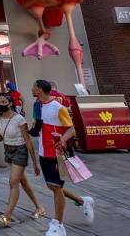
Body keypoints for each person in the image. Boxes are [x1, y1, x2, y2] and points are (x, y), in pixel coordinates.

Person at [33, 79, 94, 236]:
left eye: (34, 86)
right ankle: (82, 201)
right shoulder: (39, 106)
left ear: (39, 89)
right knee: (52, 186)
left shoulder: (58, 108)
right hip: (43, 151)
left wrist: (62, 139)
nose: (32, 89)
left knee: (56, 187)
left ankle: (58, 225)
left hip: (57, 153)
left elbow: (72, 130)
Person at [0, 93, 44, 227]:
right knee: (24, 182)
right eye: (0, 102)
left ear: (10, 103)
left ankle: (7, 217)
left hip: (20, 151)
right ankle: (39, 207)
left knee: (13, 182)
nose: (1, 104)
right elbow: (0, 137)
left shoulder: (19, 119)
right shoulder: (0, 118)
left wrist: (34, 162)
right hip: (8, 151)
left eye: (4, 101)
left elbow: (28, 140)